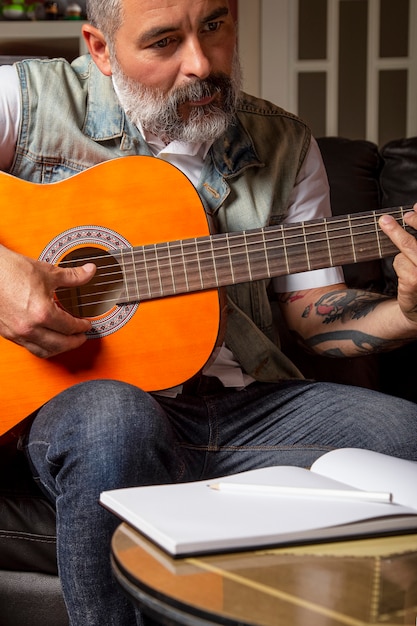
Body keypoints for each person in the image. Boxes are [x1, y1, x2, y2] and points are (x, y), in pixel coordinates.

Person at [0, 0, 417, 623]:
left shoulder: (283, 143)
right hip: (79, 402)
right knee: (116, 419)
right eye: (164, 41)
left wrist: (406, 313)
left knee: (404, 436)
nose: (201, 63)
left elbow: (312, 312)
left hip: (240, 406)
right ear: (101, 47)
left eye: (215, 27)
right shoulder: (23, 100)